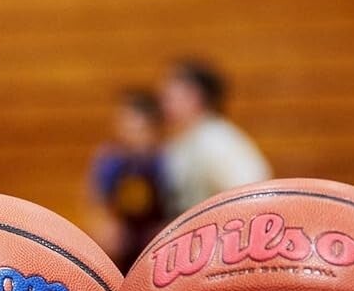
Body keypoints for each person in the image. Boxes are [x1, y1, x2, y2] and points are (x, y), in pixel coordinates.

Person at [159, 58, 272, 213]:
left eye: (169, 97)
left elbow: (254, 192)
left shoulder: (217, 140)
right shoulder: (181, 141)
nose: (163, 103)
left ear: (194, 96)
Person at [86, 89, 169, 272]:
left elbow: (178, 204)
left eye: (136, 127)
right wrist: (104, 225)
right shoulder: (111, 159)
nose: (127, 132)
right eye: (123, 124)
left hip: (156, 249)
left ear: (153, 128)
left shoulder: (166, 160)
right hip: (122, 249)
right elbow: (96, 201)